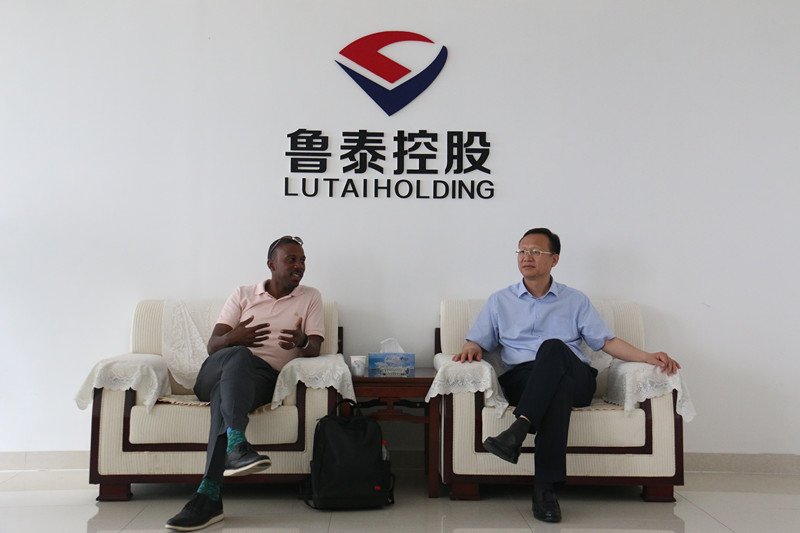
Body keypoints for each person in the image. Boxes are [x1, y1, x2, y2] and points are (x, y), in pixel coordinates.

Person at [453, 228, 680, 523]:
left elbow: (606, 342)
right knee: (555, 391)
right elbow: (476, 340)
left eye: (536, 251)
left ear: (554, 259)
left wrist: (647, 356)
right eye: (522, 251)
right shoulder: (500, 301)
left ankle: (518, 430)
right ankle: (544, 489)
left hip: (577, 378)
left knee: (553, 348)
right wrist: (470, 347)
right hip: (524, 380)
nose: (526, 257)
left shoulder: (575, 300)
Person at [166, 236, 325, 531]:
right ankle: (237, 443)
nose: (299, 266)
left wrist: (302, 340)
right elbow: (213, 346)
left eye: (302, 260)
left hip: (261, 379)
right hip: (217, 370)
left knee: (223, 396)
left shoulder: (310, 297)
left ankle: (208, 497)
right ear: (271, 264)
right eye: (291, 259)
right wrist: (234, 337)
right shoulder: (243, 294)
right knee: (237, 355)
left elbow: (315, 348)